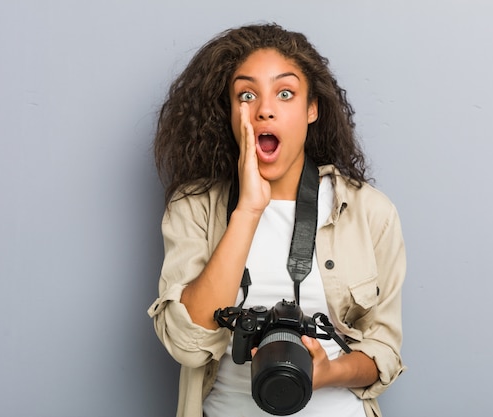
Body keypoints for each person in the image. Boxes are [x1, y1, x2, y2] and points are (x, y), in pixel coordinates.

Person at [148, 23, 406, 417]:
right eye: (246, 95)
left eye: (285, 93)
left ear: (312, 109)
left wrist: (328, 371)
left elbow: (384, 351)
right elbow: (188, 344)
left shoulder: (369, 212)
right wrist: (248, 211)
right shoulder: (194, 208)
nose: (264, 108)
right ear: (232, 113)